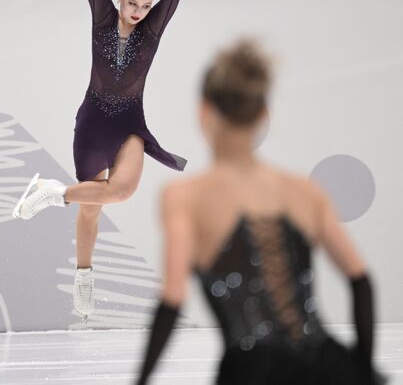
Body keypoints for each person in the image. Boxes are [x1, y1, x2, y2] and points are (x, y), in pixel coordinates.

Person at [133, 40, 386, 384]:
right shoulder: (303, 191)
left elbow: (172, 300)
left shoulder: (184, 196)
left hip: (251, 373)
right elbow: (360, 281)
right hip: (329, 365)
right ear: (265, 113)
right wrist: (362, 370)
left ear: (204, 112)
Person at [12, 0, 187, 320]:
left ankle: (54, 192)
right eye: (133, 3)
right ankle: (84, 279)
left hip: (129, 125)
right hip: (92, 123)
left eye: (145, 6)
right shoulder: (103, 19)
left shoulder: (153, 31)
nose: (140, 12)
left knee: (121, 190)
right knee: (91, 208)